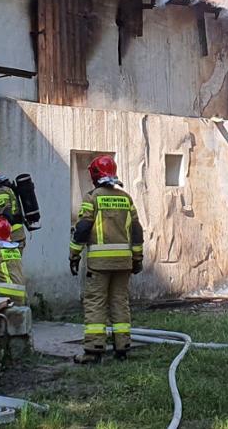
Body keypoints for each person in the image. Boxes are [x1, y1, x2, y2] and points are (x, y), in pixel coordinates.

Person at [70, 154, 143, 363]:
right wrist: (137, 258)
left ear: (95, 175)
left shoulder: (92, 197)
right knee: (120, 302)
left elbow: (83, 228)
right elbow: (136, 231)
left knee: (95, 303)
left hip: (99, 264)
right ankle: (123, 348)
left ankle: (94, 351)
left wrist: (73, 255)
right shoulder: (126, 198)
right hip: (123, 263)